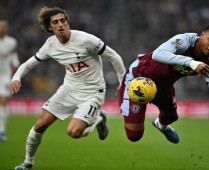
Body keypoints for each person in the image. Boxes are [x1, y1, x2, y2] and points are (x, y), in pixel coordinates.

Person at [10, 6, 126, 170]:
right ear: (50, 27)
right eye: (55, 22)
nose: (60, 24)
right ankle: (28, 163)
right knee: (40, 124)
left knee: (74, 132)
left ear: (67, 23)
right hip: (68, 90)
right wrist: (16, 77)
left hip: (92, 93)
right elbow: (29, 63)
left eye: (63, 21)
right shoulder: (50, 44)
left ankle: (98, 119)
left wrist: (123, 81)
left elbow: (114, 56)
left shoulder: (85, 40)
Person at [119, 23, 209, 145]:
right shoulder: (185, 40)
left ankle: (160, 125)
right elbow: (157, 54)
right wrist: (191, 62)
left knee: (171, 117)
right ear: (202, 35)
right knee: (134, 136)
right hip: (138, 79)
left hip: (164, 87)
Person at [0, 17, 20, 141]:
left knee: (3, 101)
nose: (1, 29)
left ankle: (1, 131)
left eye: (3, 27)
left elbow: (14, 62)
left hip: (4, 77)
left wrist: (11, 77)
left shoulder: (11, 42)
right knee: (2, 105)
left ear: (6, 28)